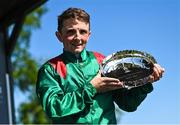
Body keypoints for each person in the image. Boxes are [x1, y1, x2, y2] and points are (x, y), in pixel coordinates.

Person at [36, 7, 165, 124]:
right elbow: (53, 108)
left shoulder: (103, 62)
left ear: (89, 35)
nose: (78, 37)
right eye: (70, 32)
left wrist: (145, 82)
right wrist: (92, 88)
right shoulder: (50, 70)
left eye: (82, 31)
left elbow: (128, 104)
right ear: (59, 36)